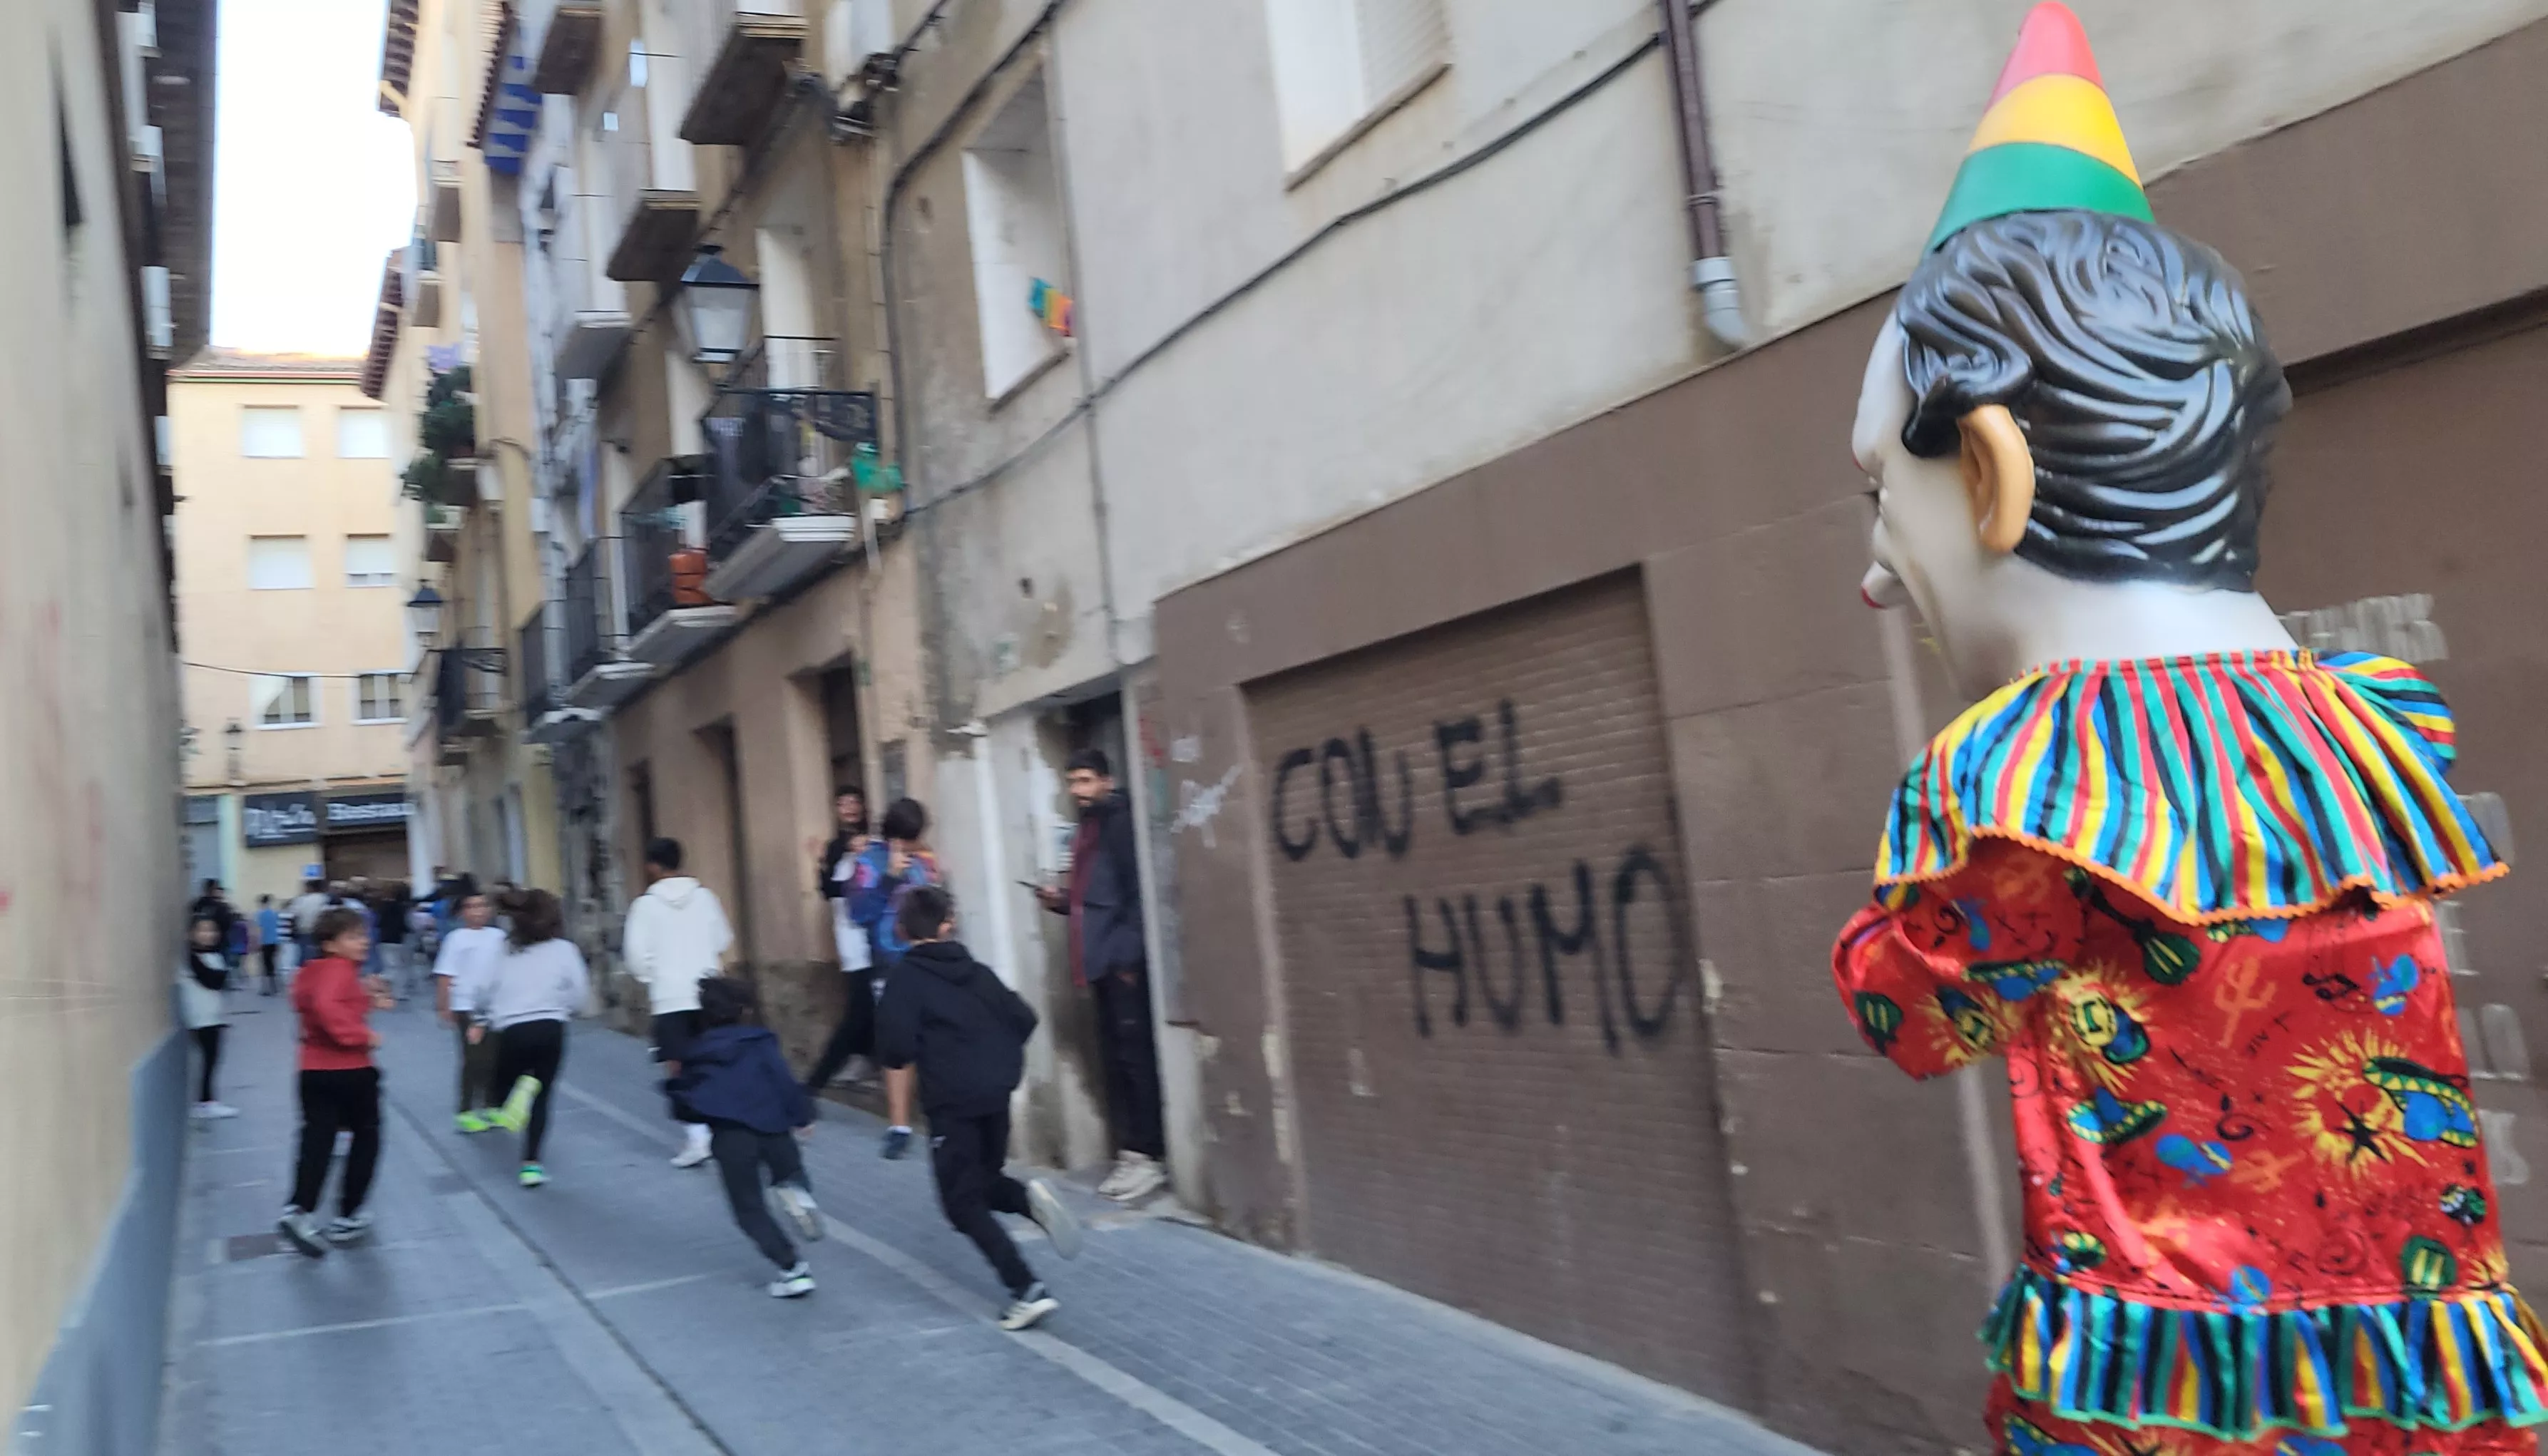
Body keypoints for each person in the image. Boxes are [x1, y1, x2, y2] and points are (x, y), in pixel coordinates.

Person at [1831, 9, 2536, 1447]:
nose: (1871, 575)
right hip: (2414, 1375)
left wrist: (1886, 925)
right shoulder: (2359, 731)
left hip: (2170, 1393)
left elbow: (1906, 1012)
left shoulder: (2021, 784)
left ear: (1987, 474)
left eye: (1878, 499)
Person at [875, 886, 1081, 1330]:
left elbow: (895, 1049)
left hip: (953, 1103)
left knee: (961, 1204)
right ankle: (1028, 1200)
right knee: (985, 1182)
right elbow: (1023, 1018)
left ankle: (1026, 1288)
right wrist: (993, 1059)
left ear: (902, 929)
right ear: (947, 925)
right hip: (995, 1095)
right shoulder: (977, 971)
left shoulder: (906, 979)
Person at [1036, 749, 1166, 1203]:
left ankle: (1148, 1155)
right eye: (1073, 781)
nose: (1078, 790)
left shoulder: (1120, 823)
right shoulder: (1089, 826)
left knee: (1134, 1060)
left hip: (1120, 965)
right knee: (1116, 1060)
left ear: (1107, 781)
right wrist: (1061, 901)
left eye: (1086, 781)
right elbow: (1097, 896)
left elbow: (1138, 894)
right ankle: (1132, 1152)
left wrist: (1126, 958)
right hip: (1100, 964)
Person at [665, 977, 824, 1298]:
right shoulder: (762, 1042)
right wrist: (803, 1116)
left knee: (749, 1208)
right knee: (790, 1173)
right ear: (746, 1011)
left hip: (731, 1138)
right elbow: (784, 1082)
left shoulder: (697, 1053)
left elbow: (686, 1106)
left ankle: (793, 1269)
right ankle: (796, 1192)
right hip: (774, 1129)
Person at [279, 907, 393, 1257]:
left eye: (363, 935)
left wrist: (366, 999)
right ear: (330, 944)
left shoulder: (309, 971)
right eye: (353, 937)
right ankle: (348, 1214)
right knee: (367, 1136)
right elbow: (327, 1005)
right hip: (350, 1069)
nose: (364, 942)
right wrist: (361, 1036)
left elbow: (311, 1003)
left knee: (317, 1140)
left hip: (312, 1070)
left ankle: (300, 1210)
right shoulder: (339, 969)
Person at [623, 838, 735, 1169]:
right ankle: (721, 1124)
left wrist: (653, 976)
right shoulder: (705, 897)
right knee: (712, 1059)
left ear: (652, 866)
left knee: (678, 1065)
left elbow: (636, 956)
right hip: (707, 992)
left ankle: (697, 1137)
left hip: (670, 995)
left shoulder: (645, 906)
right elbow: (723, 939)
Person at [479, 889, 589, 1188]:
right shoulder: (565, 950)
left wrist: (483, 1013)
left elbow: (484, 988)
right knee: (543, 1096)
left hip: (512, 1028)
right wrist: (568, 1008)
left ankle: (507, 1101)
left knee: (501, 1082)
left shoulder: (504, 949)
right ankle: (531, 1165)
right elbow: (580, 993)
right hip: (551, 1027)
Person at [802, 787, 876, 1093]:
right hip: (851, 938)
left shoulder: (875, 842)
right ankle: (860, 1060)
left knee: (862, 1008)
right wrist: (821, 862)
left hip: (875, 939)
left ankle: (820, 1078)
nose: (849, 808)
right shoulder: (835, 847)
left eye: (854, 802)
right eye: (842, 804)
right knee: (863, 1004)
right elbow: (830, 892)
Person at [431, 892, 508, 1132]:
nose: (478, 911)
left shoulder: (499, 937)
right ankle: (466, 1110)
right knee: (474, 1059)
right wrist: (444, 1005)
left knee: (496, 1058)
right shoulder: (456, 939)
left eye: (482, 905)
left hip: (495, 1006)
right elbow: (445, 975)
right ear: (462, 912)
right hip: (467, 1006)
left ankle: (492, 1105)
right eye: (471, 906)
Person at [178, 916, 236, 1120]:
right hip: (201, 1018)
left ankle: (207, 1100)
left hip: (214, 1017)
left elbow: (220, 980)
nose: (208, 935)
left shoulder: (214, 956)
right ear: (191, 934)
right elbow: (214, 980)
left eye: (212, 930)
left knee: (212, 1060)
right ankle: (205, 1102)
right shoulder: (191, 959)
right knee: (208, 1060)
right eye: (202, 930)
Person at [373, 880, 414, 999]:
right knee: (400, 968)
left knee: (390, 966)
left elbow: (378, 923)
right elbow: (406, 925)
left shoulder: (380, 907)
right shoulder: (403, 908)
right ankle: (398, 992)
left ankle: (387, 985)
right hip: (399, 940)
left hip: (384, 940)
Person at [288, 878, 330, 968]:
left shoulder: (301, 900)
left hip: (304, 932)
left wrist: (293, 932)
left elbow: (294, 916)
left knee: (304, 956)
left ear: (310, 888)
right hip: (321, 932)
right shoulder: (325, 899)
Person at [188, 879, 237, 945]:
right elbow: (228, 924)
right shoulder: (221, 907)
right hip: (217, 943)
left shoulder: (197, 904)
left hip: (198, 943)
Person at [252, 894, 284, 994]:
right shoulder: (275, 914)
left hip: (265, 942)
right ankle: (275, 987)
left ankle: (266, 988)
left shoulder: (260, 914)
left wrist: (257, 942)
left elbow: (260, 930)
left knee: (265, 965)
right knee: (273, 964)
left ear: (262, 903)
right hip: (275, 941)